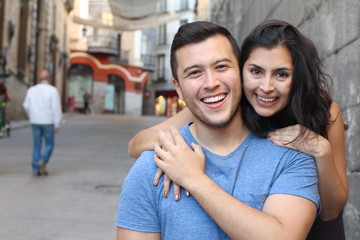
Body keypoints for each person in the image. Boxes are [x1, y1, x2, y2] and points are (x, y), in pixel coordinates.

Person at [128, 19, 348, 239]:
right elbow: (137, 143)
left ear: (297, 77)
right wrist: (177, 154)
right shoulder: (219, 103)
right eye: (256, 71)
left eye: (281, 74)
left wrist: (322, 151)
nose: (266, 87)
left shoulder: (322, 111)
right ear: (242, 70)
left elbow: (331, 210)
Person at [23, 70, 62, 176]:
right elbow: (56, 108)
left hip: (35, 121)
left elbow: (26, 105)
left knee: (37, 145)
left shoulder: (31, 90)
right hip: (48, 121)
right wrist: (57, 123)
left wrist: (31, 115)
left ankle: (35, 169)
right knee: (49, 144)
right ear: (48, 78)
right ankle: (43, 160)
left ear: (39, 79)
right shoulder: (53, 90)